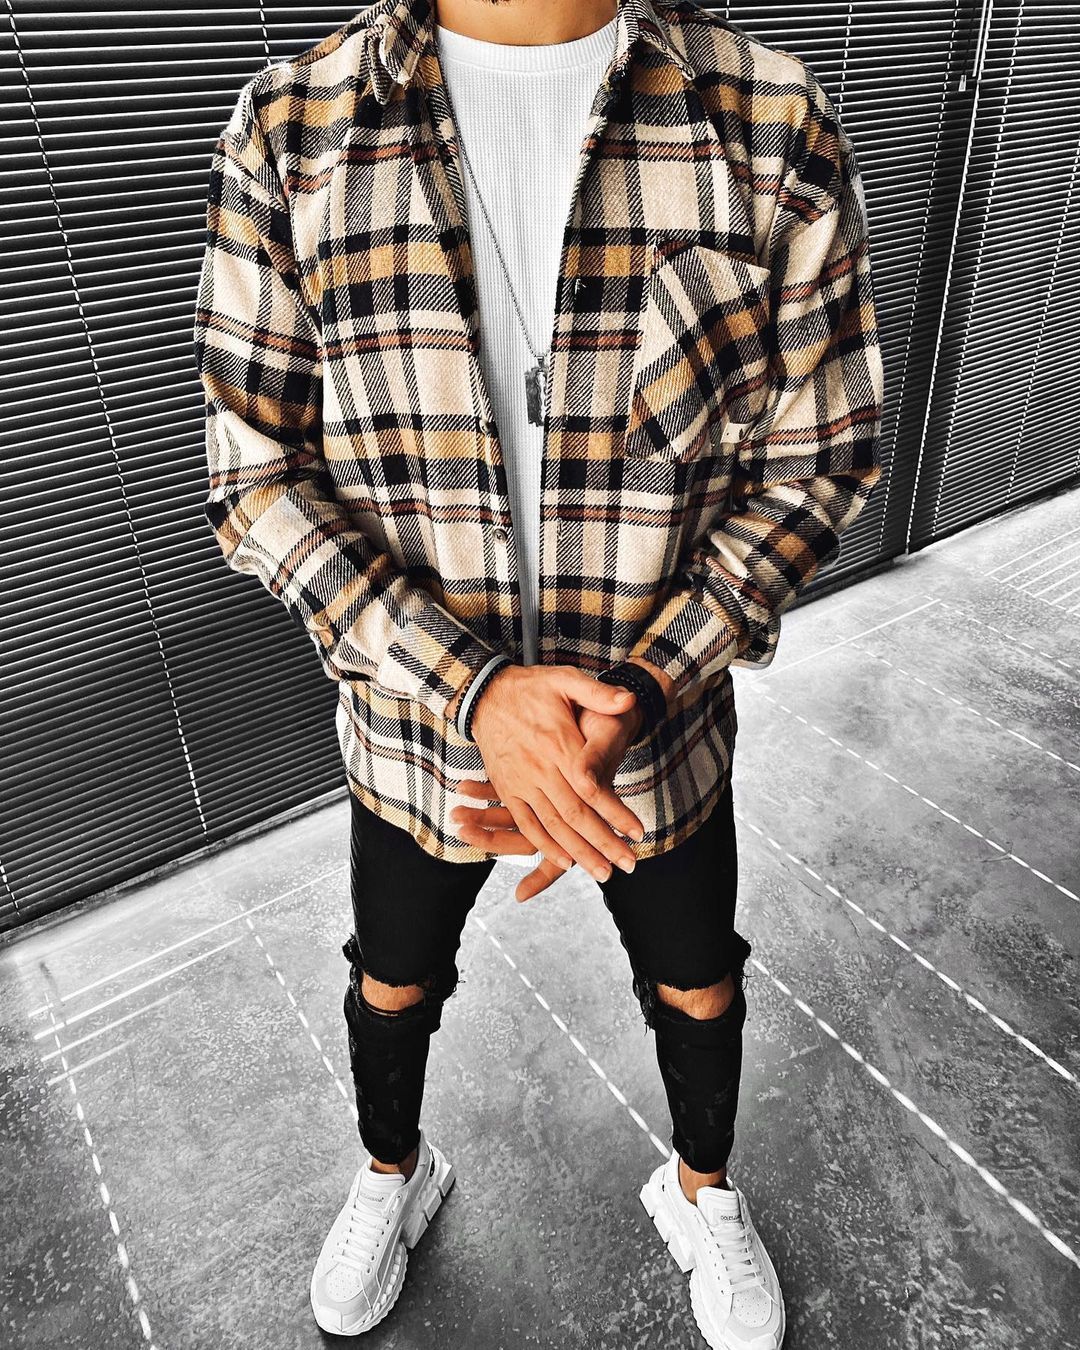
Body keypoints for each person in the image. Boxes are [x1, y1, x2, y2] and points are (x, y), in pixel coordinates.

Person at [192, 0, 883, 1344]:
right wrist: (474, 691)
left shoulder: (766, 121)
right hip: (417, 742)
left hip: (657, 741)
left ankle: (703, 1188)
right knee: (392, 976)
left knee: (699, 980)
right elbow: (253, 474)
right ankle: (393, 1170)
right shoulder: (293, 129)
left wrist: (646, 685)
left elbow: (820, 460)